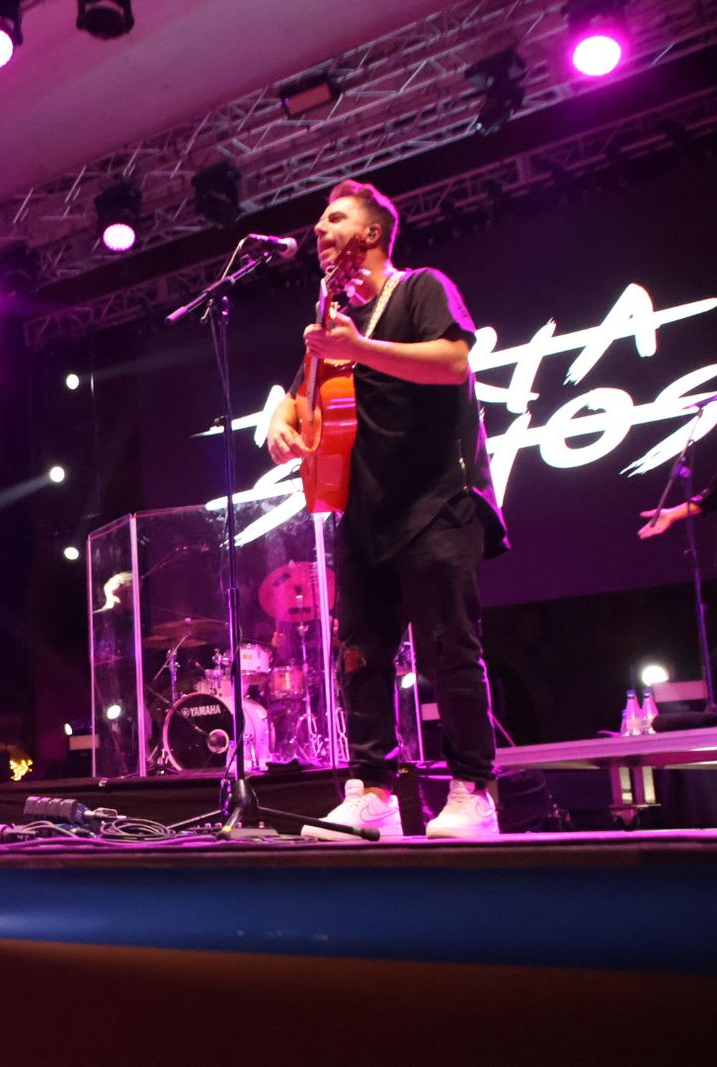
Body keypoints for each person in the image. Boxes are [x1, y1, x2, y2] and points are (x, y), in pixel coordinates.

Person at [265, 179, 509, 840]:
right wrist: (277, 425)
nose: (319, 230)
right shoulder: (332, 321)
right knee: (361, 656)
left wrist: (359, 350)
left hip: (437, 499)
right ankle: (373, 791)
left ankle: (472, 789)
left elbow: (453, 361)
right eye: (318, 221)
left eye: (336, 218)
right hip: (363, 513)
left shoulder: (422, 287)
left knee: (447, 648)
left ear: (372, 233)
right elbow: (296, 396)